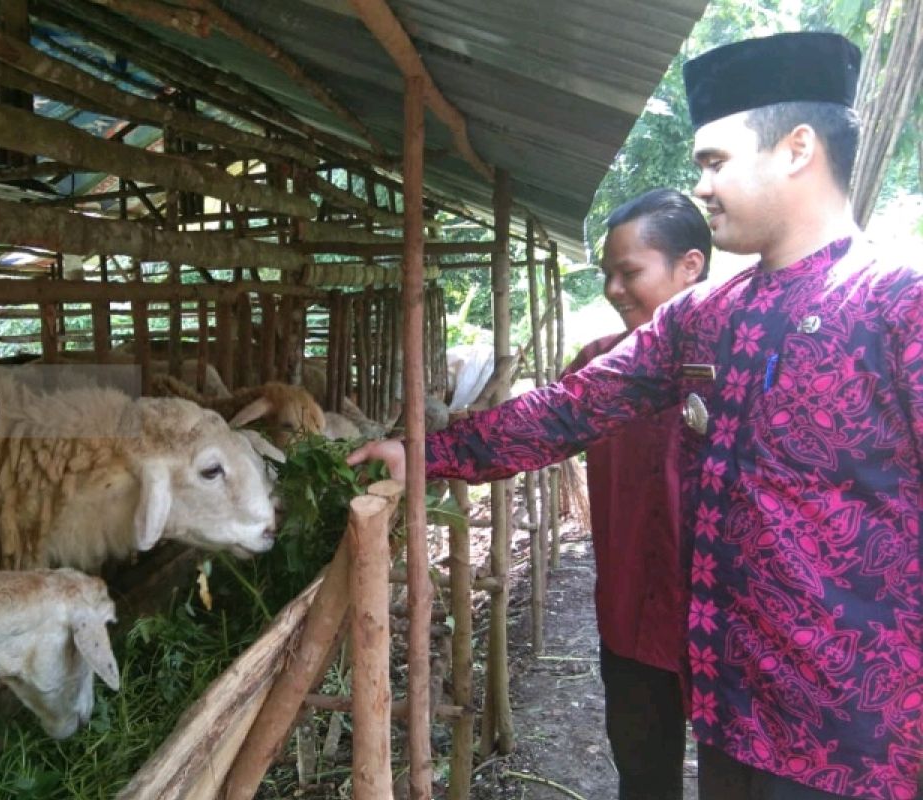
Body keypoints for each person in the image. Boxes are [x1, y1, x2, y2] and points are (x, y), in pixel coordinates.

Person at [350, 31, 921, 800]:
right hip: (729, 715)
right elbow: (571, 410)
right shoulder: (707, 316)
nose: (704, 187)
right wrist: (424, 456)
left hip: (855, 736)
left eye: (715, 162)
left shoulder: (897, 303)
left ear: (796, 149)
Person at [570, 188, 711, 800]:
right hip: (629, 619)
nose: (613, 289)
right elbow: (528, 429)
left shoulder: (744, 366)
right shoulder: (597, 368)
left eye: (629, 272)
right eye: (607, 275)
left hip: (729, 627)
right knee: (644, 781)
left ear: (690, 266)